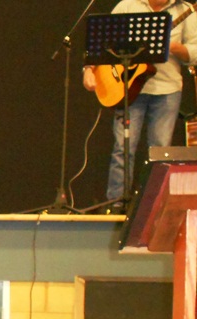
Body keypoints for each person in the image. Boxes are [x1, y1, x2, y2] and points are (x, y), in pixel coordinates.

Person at [83, 0, 197, 213]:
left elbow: (195, 51)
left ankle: (153, 209)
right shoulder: (128, 6)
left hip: (167, 89)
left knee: (160, 153)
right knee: (123, 148)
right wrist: (89, 69)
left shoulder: (185, 10)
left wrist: (176, 48)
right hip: (127, 87)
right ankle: (116, 206)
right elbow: (100, 43)